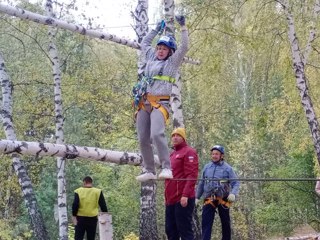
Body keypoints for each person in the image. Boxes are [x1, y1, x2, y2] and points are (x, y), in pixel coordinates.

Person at [134, 15, 189, 182]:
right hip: (144, 103)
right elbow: (144, 43)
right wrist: (156, 29)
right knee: (143, 137)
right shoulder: (151, 57)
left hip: (160, 104)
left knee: (157, 134)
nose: (160, 51)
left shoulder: (172, 63)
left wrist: (183, 27)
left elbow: (185, 47)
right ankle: (149, 169)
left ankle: (166, 167)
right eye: (159, 47)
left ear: (170, 52)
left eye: (164, 49)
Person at [196, 145, 240, 240]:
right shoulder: (207, 167)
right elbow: (201, 183)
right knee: (206, 222)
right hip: (209, 197)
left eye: (216, 154)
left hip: (224, 197)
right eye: (213, 154)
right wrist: (197, 197)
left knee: (225, 222)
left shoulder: (228, 168)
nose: (214, 156)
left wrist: (233, 193)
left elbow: (236, 182)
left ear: (221, 156)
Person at [165, 127, 199, 240]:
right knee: (170, 230)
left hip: (183, 198)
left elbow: (192, 175)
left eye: (178, 135)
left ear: (183, 138)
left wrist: (185, 195)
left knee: (184, 229)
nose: (175, 137)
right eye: (173, 135)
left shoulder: (189, 152)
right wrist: (166, 198)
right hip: (171, 199)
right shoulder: (171, 155)